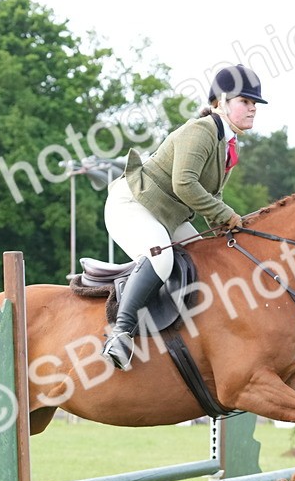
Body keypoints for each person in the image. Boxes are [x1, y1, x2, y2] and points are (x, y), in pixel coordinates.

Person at [100, 63, 267, 370]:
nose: (252, 109)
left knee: (203, 258)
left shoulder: (227, 143)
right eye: (245, 101)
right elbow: (185, 183)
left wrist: (226, 229)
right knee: (161, 259)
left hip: (167, 215)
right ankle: (120, 334)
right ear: (220, 102)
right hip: (133, 204)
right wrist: (227, 215)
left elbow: (211, 197)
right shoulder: (201, 132)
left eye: (254, 104)